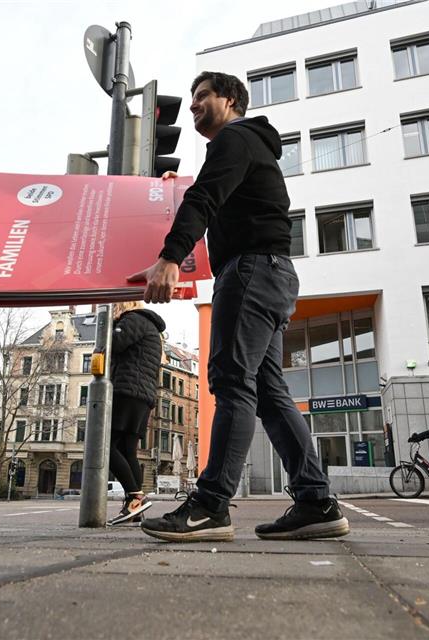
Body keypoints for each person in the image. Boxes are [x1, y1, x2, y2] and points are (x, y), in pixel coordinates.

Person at [128, 71, 349, 542]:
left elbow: (205, 197)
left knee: (231, 380)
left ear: (229, 100)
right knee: (268, 392)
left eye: (202, 97)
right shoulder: (250, 146)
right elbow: (217, 194)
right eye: (191, 100)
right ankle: (315, 501)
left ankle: (210, 505)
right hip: (272, 274)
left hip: (250, 273)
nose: (193, 107)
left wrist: (170, 258)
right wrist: (176, 188)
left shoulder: (234, 139)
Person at [106, 301, 166, 526]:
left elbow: (115, 344)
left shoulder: (133, 320)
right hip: (143, 396)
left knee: (105, 448)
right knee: (127, 450)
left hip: (127, 391)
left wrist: (109, 326)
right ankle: (135, 509)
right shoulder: (150, 327)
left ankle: (135, 498)